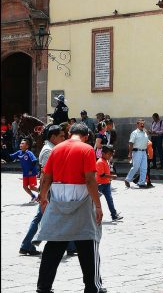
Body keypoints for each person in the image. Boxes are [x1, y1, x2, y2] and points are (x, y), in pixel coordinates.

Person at [34, 122, 104, 293]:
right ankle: (92, 287)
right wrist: (98, 205)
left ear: (69, 132)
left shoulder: (56, 149)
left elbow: (46, 177)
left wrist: (43, 197)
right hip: (81, 200)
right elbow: (90, 180)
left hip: (59, 200)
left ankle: (43, 287)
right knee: (88, 243)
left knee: (54, 245)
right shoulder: (87, 149)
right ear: (86, 136)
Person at [20, 126, 74, 257]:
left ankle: (70, 245)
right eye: (61, 136)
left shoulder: (53, 149)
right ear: (53, 137)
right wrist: (43, 194)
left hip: (53, 189)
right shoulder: (48, 151)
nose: (64, 138)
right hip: (50, 191)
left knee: (56, 216)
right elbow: (45, 174)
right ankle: (27, 244)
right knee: (44, 217)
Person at [95, 145, 122, 221]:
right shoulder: (100, 162)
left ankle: (114, 215)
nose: (110, 156)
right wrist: (112, 176)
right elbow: (102, 175)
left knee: (109, 200)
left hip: (106, 184)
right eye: (109, 154)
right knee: (95, 200)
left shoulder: (105, 161)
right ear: (103, 153)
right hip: (100, 184)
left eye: (111, 154)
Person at [10, 137, 40, 202]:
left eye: (23, 143)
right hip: (25, 173)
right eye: (20, 143)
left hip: (31, 173)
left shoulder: (29, 153)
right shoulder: (19, 152)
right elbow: (11, 156)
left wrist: (31, 170)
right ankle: (33, 197)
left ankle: (42, 192)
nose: (21, 144)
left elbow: (34, 161)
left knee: (32, 187)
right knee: (25, 187)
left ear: (27, 146)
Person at [125, 118, 151, 188]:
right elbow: (131, 143)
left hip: (144, 152)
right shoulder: (134, 133)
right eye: (141, 123)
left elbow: (146, 143)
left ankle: (141, 182)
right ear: (137, 124)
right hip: (137, 152)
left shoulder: (145, 133)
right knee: (136, 167)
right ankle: (127, 179)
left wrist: (147, 152)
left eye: (143, 124)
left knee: (144, 168)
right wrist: (130, 153)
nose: (142, 125)